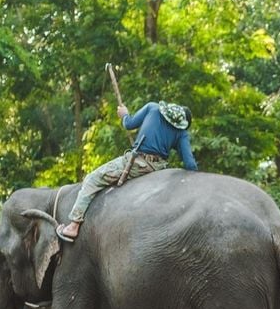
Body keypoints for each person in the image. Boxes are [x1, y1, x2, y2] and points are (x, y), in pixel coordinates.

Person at [56, 100, 198, 242]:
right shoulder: (181, 132)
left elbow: (129, 124)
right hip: (158, 169)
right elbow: (190, 165)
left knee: (92, 179)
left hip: (137, 163)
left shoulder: (152, 108)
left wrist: (124, 115)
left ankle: (73, 225)